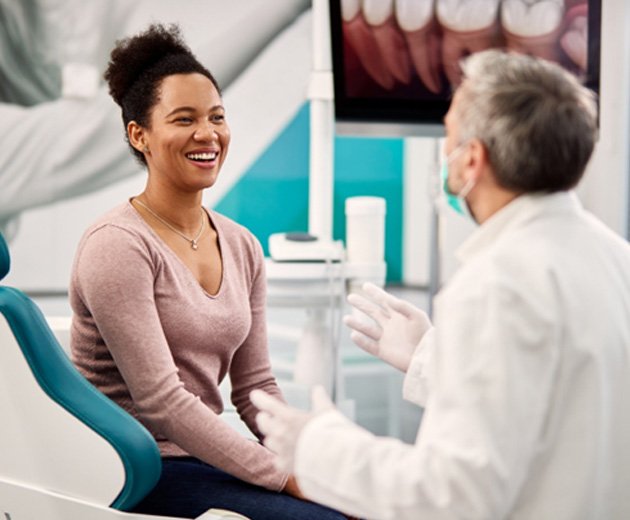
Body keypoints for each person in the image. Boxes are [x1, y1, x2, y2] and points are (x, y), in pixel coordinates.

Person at [251, 49, 630, 519]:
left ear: (472, 160)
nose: (444, 157)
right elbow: (556, 408)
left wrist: (318, 447)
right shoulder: (616, 260)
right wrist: (431, 358)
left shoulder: (496, 285)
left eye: (448, 138)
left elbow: (450, 496)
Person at [69, 23, 347, 520]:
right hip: (131, 469)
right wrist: (285, 478)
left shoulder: (241, 244)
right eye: (184, 119)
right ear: (140, 135)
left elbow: (256, 385)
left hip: (200, 458)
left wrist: (310, 460)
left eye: (217, 117)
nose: (208, 134)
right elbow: (162, 403)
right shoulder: (116, 245)